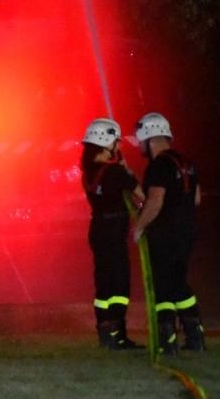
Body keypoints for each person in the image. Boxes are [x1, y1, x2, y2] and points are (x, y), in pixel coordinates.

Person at [128, 112, 204, 354]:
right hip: (187, 232)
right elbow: (197, 198)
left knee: (162, 285)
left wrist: (139, 226)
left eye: (140, 141)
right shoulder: (187, 163)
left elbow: (155, 201)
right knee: (179, 282)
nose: (139, 146)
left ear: (148, 138)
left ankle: (167, 340)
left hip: (165, 234)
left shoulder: (158, 165)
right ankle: (195, 337)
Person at [79, 118, 141, 350]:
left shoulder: (88, 172)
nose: (119, 146)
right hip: (115, 232)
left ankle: (105, 330)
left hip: (98, 230)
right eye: (116, 141)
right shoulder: (115, 171)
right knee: (119, 286)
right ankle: (119, 334)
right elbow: (142, 196)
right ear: (106, 143)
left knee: (103, 284)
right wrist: (129, 173)